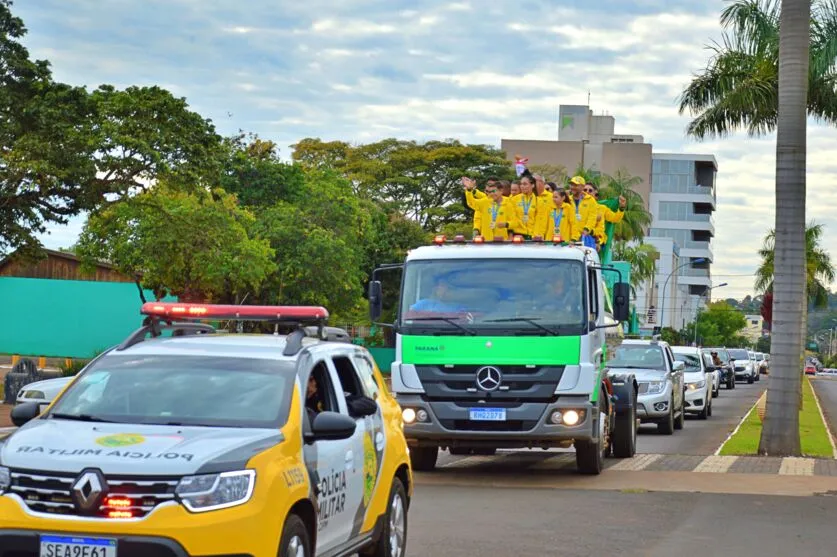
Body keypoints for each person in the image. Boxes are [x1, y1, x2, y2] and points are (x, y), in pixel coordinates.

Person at [463, 177, 513, 241]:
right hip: (486, 241)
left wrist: (510, 234)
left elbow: (512, 221)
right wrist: (469, 190)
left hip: (503, 241)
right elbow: (472, 203)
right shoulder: (485, 201)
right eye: (488, 189)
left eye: (493, 188)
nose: (490, 191)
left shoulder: (508, 201)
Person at [510, 173, 548, 239]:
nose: (522, 186)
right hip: (517, 236)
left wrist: (537, 235)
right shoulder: (513, 200)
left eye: (525, 184)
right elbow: (511, 219)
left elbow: (540, 221)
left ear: (532, 185)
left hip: (533, 236)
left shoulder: (539, 201)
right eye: (521, 184)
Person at [567, 176, 598, 243]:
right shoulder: (567, 200)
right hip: (569, 236)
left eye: (576, 185)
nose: (572, 187)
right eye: (571, 185)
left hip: (584, 236)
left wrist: (587, 229)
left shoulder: (590, 200)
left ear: (582, 187)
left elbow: (592, 217)